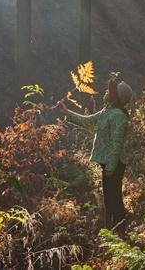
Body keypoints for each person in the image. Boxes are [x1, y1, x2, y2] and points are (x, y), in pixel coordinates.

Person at [57, 79, 133, 232]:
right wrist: (67, 112)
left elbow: (116, 145)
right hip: (109, 163)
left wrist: (111, 167)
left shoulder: (118, 116)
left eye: (109, 91)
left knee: (114, 200)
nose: (106, 92)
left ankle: (118, 234)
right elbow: (88, 121)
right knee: (109, 199)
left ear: (116, 97)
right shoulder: (107, 111)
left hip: (115, 164)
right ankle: (112, 233)